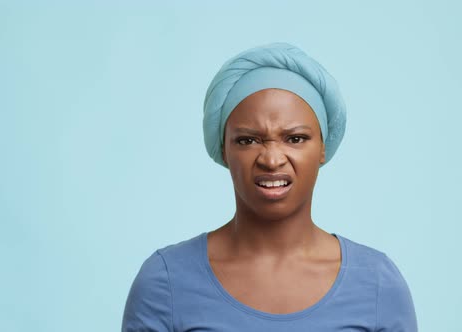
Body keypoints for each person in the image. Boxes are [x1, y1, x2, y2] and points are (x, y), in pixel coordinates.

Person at [122, 43, 418, 331]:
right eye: (247, 140)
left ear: (323, 148)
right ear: (224, 149)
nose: (272, 159)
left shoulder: (376, 284)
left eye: (296, 138)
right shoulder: (166, 282)